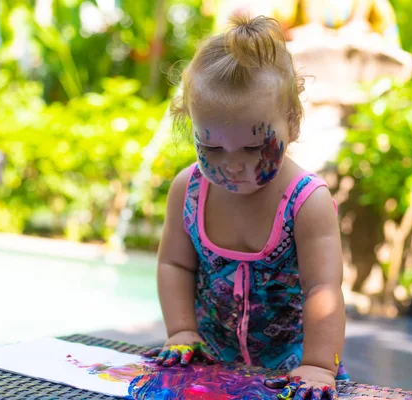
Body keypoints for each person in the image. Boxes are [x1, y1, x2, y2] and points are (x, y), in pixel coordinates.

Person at [142, 14, 349, 399]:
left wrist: (319, 366)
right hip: (208, 365)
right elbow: (175, 264)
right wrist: (182, 331)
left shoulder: (306, 202)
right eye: (212, 148)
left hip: (292, 373)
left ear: (293, 123)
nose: (233, 163)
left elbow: (323, 287)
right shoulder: (188, 190)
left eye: (254, 147)